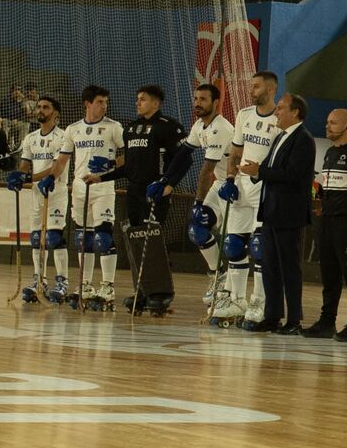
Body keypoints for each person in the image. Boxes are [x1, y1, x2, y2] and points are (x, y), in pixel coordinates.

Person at [238, 93, 315, 334]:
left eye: (281, 108)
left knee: (288, 266)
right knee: (269, 264)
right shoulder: (280, 137)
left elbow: (292, 174)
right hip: (272, 210)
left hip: (288, 212)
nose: (277, 112)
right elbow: (273, 170)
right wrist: (255, 171)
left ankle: (294, 319)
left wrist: (259, 171)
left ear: (296, 113)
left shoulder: (303, 139)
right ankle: (272, 316)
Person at [156, 84, 235, 309]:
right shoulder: (200, 126)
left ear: (216, 103)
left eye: (203, 99)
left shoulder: (221, 128)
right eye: (196, 98)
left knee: (235, 243)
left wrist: (198, 202)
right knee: (197, 229)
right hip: (219, 184)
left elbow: (206, 170)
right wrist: (166, 180)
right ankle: (218, 275)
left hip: (235, 185)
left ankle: (237, 294)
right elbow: (183, 155)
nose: (197, 103)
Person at [47, 86, 124, 309]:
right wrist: (51, 178)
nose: (104, 106)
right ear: (87, 103)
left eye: (106, 102)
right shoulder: (73, 129)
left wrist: (110, 164)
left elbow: (130, 156)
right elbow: (62, 160)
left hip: (103, 187)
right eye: (100, 101)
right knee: (83, 239)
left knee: (103, 238)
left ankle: (108, 286)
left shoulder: (113, 127)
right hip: (80, 189)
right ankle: (86, 284)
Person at [217, 71, 283, 328]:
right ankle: (236, 299)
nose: (251, 90)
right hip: (241, 187)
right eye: (250, 86)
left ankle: (259, 301)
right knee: (233, 245)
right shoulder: (244, 114)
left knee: (259, 247)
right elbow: (235, 151)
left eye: (255, 87)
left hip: (264, 189)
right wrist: (230, 178)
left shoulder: (280, 118)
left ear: (270, 89)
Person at [302, 109, 347, 340]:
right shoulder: (330, 153)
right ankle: (327, 320)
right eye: (327, 122)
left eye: (333, 123)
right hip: (328, 222)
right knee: (329, 273)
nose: (328, 126)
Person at [85, 85, 185, 235]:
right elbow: (128, 167)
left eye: (142, 100)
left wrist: (170, 185)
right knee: (134, 239)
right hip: (133, 193)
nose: (137, 103)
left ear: (155, 104)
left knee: (151, 241)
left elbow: (184, 160)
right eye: (137, 99)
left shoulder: (169, 126)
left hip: (155, 191)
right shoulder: (131, 129)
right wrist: (100, 178)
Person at [7, 98, 67, 302]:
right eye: (39, 107)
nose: (40, 110)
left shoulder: (62, 136)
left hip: (55, 191)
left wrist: (29, 177)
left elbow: (56, 166)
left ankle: (62, 282)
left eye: (45, 107)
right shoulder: (30, 137)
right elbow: (25, 163)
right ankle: (38, 280)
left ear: (56, 113)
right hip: (36, 194)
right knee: (35, 239)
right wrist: (18, 175)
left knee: (54, 238)